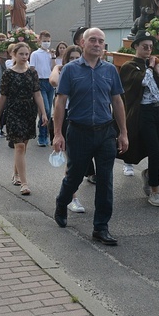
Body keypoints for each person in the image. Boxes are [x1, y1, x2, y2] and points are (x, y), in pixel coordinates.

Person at [53, 28, 129, 245]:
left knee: (106, 181)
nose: (97, 44)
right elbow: (60, 102)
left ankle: (101, 227)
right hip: (79, 131)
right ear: (83, 43)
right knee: (75, 176)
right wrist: (58, 134)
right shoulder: (70, 70)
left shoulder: (110, 70)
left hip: (105, 132)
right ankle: (62, 202)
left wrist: (123, 132)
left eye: (101, 41)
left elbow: (117, 101)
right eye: (93, 40)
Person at [119, 30, 159, 207]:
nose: (148, 50)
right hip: (144, 113)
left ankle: (149, 173)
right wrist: (149, 68)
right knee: (154, 149)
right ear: (136, 47)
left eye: (150, 47)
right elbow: (140, 83)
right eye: (144, 46)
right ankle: (155, 190)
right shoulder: (129, 66)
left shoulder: (157, 66)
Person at [0, 43, 48, 196]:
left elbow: (37, 93)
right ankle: (24, 183)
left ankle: (16, 173)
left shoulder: (32, 73)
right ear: (14, 55)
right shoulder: (8, 74)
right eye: (21, 54)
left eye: (26, 54)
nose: (24, 57)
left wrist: (43, 112)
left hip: (29, 111)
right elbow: (2, 97)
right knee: (19, 147)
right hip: (14, 111)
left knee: (24, 144)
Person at [49, 45, 88, 212]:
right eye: (71, 58)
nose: (74, 61)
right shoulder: (62, 70)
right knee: (72, 159)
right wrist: (59, 68)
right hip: (65, 117)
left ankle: (69, 192)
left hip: (82, 117)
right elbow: (54, 81)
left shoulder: (88, 71)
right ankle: (72, 198)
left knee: (81, 160)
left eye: (76, 58)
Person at [30, 30, 55, 147]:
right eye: (44, 41)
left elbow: (53, 68)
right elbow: (32, 69)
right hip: (40, 82)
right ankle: (42, 135)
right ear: (40, 41)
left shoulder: (50, 54)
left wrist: (53, 57)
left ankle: (46, 133)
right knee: (45, 109)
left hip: (50, 82)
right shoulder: (35, 54)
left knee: (49, 110)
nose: (46, 43)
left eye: (48, 41)